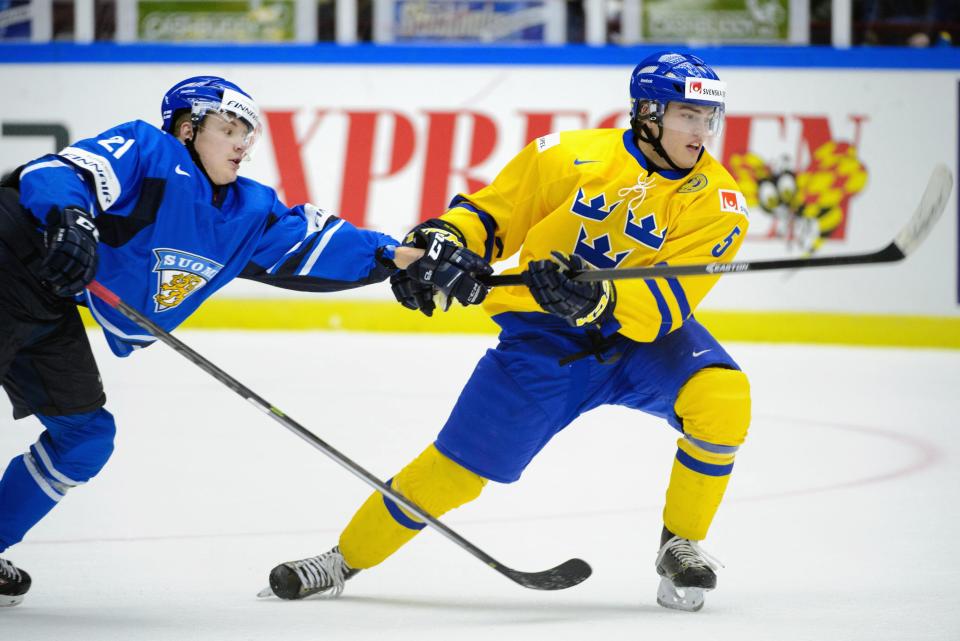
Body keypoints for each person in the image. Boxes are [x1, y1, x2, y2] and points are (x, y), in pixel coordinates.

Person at [266, 51, 752, 612]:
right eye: (687, 115)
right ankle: (340, 560)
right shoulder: (568, 156)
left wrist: (597, 299)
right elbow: (493, 217)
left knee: (723, 397)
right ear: (648, 113)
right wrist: (446, 240)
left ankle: (681, 543)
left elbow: (667, 304)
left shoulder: (721, 201)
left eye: (707, 117)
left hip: (642, 342)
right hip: (545, 346)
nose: (701, 131)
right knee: (453, 472)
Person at [0, 75, 445, 607]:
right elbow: (59, 172)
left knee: (85, 440)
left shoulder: (246, 212)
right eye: (230, 129)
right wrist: (70, 220)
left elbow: (317, 243)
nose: (242, 144)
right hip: (7, 255)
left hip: (46, 302)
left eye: (248, 136)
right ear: (188, 129)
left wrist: (399, 258)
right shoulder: (149, 149)